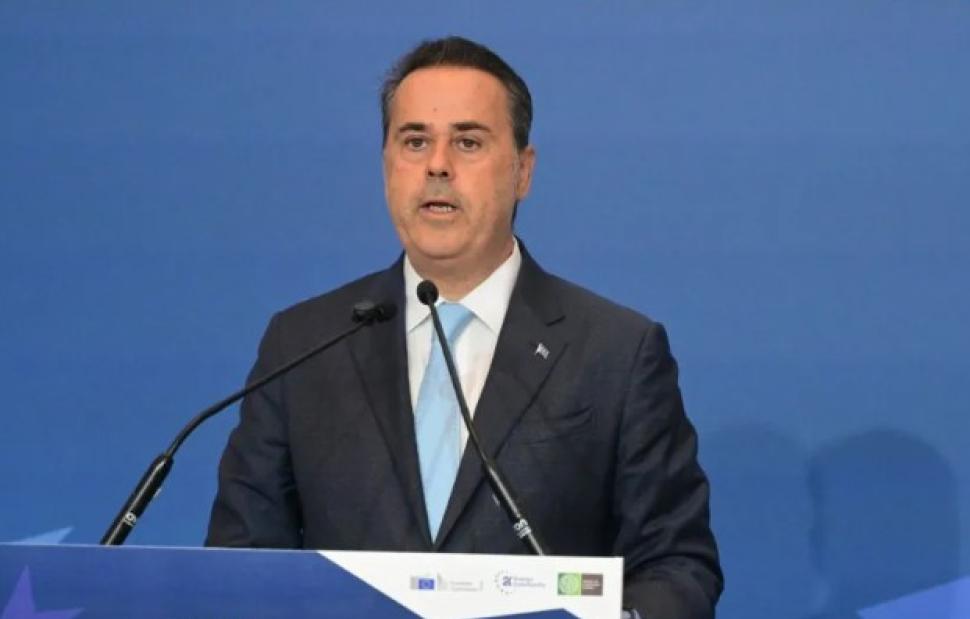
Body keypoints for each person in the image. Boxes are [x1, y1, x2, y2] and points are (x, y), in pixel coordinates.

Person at [207, 36, 723, 618]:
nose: (437, 165)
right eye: (414, 141)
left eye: (468, 141)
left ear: (523, 171)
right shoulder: (302, 346)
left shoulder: (616, 352)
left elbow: (677, 565)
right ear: (386, 166)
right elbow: (240, 561)